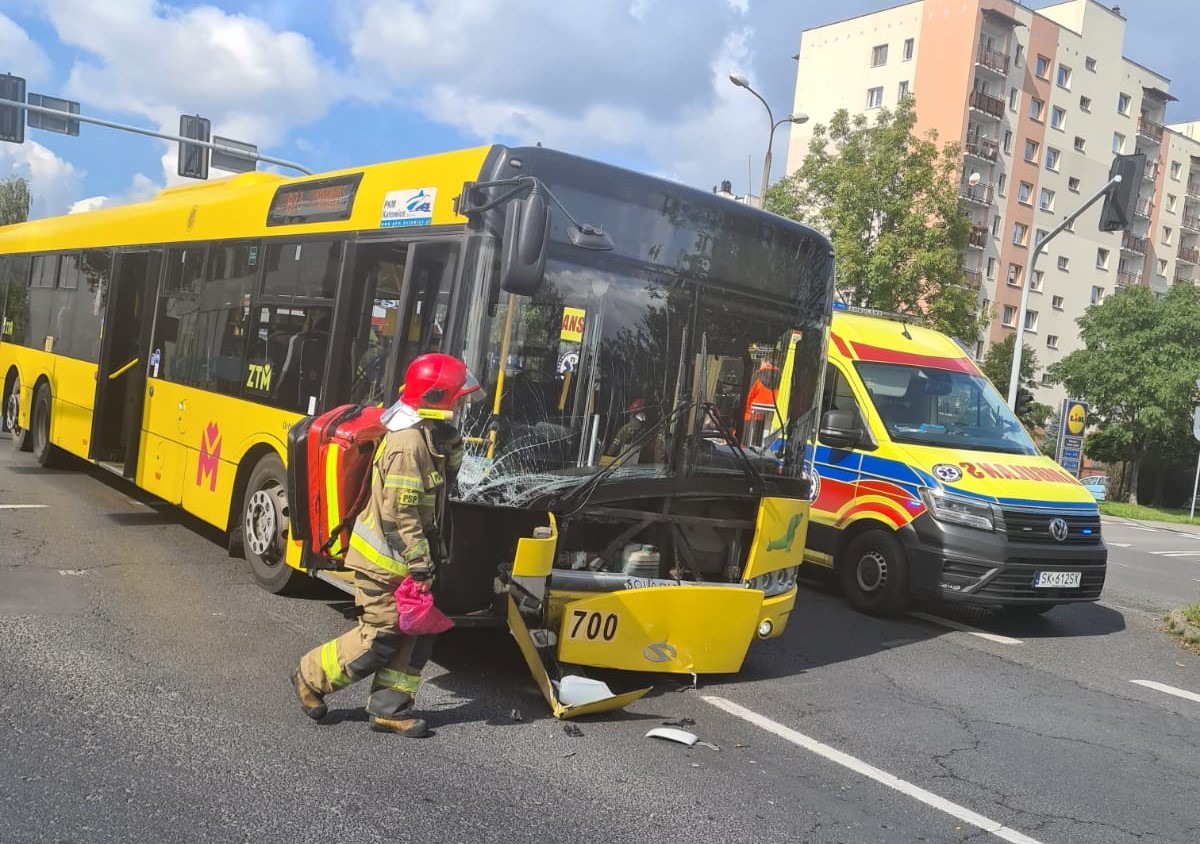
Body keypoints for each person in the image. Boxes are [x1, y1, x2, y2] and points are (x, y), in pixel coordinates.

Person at [293, 352, 482, 737]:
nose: (463, 405)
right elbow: (401, 515)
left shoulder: (430, 436)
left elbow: (450, 479)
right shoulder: (407, 445)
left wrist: (452, 441)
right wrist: (420, 565)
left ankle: (389, 708)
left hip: (405, 561)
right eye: (459, 399)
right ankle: (310, 676)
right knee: (380, 638)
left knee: (418, 635)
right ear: (439, 399)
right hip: (385, 563)